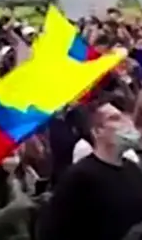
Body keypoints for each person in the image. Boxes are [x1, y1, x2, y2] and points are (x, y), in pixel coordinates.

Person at [37, 97, 142, 240]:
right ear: (97, 131)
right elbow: (52, 231)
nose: (125, 122)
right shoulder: (80, 177)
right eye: (115, 118)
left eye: (124, 116)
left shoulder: (132, 169)